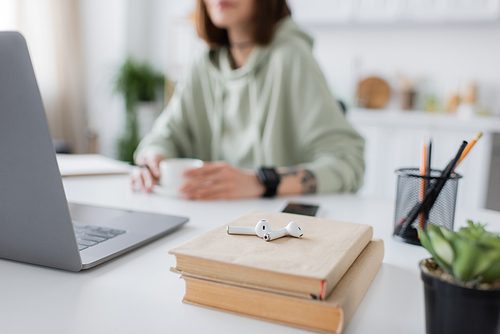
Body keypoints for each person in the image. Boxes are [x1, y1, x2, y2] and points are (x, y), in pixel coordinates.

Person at [131, 0, 365, 200]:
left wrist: (259, 182)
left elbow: (347, 163)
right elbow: (164, 136)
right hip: (211, 226)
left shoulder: (292, 58)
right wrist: (153, 158)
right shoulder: (202, 64)